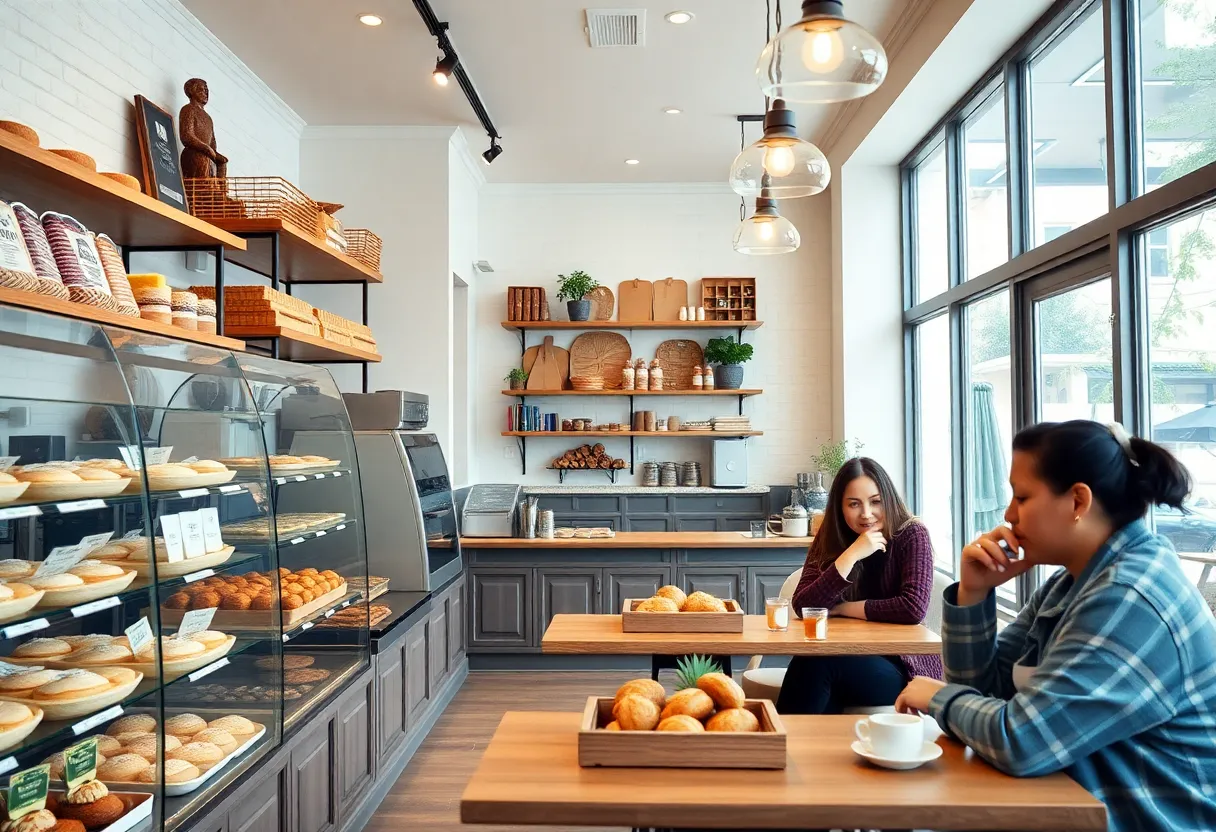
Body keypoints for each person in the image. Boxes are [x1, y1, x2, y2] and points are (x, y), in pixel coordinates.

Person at [895, 420, 1216, 831]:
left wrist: (939, 698)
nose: (1008, 514)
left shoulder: (1129, 597)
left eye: (1022, 496)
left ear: (1078, 502)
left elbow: (1021, 741)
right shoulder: (1073, 581)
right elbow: (986, 692)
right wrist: (974, 593)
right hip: (1069, 806)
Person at [777, 457, 942, 714]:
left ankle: (780, 748)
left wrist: (844, 608)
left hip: (902, 667)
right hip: (843, 654)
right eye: (854, 504)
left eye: (875, 502)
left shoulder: (912, 534)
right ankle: (805, 751)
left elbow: (912, 608)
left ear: (888, 498)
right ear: (840, 508)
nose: (866, 514)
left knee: (817, 665)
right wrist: (851, 555)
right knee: (816, 666)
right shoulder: (831, 537)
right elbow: (803, 606)